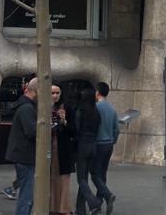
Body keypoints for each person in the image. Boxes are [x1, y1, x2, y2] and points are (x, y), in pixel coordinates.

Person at [5, 77, 38, 215]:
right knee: (26, 196)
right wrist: (46, 127)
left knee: (27, 195)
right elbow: (31, 131)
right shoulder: (27, 108)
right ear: (36, 91)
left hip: (23, 154)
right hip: (24, 155)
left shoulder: (25, 106)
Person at [92, 82, 120, 215]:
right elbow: (117, 129)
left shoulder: (95, 107)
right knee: (102, 174)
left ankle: (108, 195)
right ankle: (98, 203)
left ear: (97, 92)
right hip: (109, 144)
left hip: (98, 143)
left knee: (94, 174)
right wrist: (113, 140)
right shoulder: (112, 109)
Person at [75, 86, 102, 214]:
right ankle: (80, 209)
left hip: (83, 145)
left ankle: (93, 202)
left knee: (81, 178)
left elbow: (77, 129)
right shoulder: (96, 112)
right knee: (84, 177)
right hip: (93, 145)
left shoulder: (81, 110)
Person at [51, 84, 76, 215]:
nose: (55, 96)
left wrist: (64, 121)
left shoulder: (68, 108)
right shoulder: (45, 107)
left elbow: (74, 130)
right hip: (49, 147)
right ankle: (52, 206)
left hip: (63, 148)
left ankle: (64, 208)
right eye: (52, 93)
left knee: (64, 179)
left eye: (57, 93)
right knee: (51, 178)